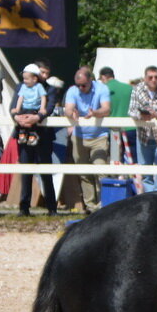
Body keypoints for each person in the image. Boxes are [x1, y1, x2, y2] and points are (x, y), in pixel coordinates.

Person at [10, 62, 56, 216]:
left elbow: (49, 108)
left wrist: (37, 117)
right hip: (24, 132)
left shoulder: (50, 89)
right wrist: (17, 117)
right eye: (41, 72)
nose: (43, 76)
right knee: (26, 170)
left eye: (45, 73)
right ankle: (24, 208)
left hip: (43, 134)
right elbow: (14, 105)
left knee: (45, 171)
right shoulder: (21, 86)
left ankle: (51, 207)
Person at [63, 66, 112, 212]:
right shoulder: (73, 90)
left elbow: (106, 109)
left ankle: (103, 204)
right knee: (83, 172)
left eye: (83, 85)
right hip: (79, 137)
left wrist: (95, 112)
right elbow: (68, 108)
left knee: (100, 170)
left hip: (100, 136)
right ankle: (90, 206)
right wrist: (71, 114)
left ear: (91, 79)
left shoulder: (102, 89)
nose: (81, 88)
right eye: (78, 85)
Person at [129, 66, 157, 192]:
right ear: (145, 78)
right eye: (150, 77)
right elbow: (131, 110)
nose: (154, 80)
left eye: (156, 77)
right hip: (144, 135)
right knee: (145, 173)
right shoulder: (137, 89)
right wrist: (141, 116)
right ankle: (150, 198)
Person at [98, 66, 134, 164]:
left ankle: (119, 177)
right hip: (131, 128)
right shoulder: (129, 88)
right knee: (134, 160)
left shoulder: (103, 90)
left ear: (103, 77)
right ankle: (135, 178)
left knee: (116, 160)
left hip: (114, 130)